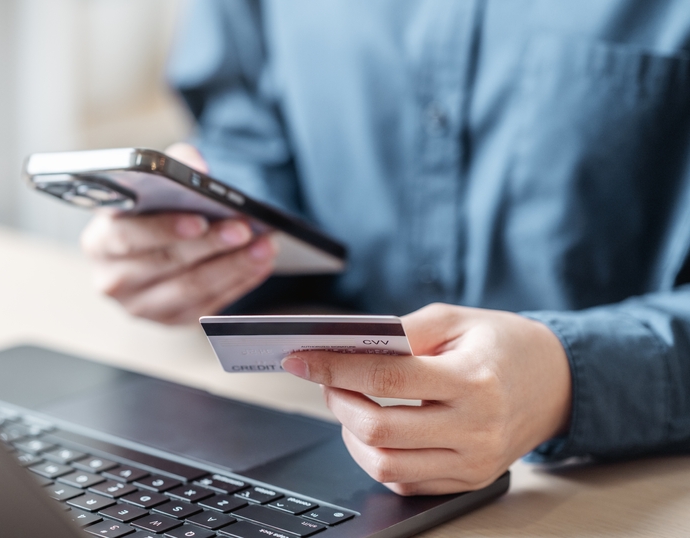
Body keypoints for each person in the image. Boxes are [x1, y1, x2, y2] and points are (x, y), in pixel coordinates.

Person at [79, 1, 690, 495]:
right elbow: (249, 135)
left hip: (595, 486)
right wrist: (198, 238)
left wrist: (567, 379)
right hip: (305, 427)